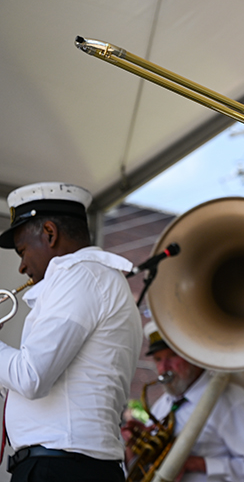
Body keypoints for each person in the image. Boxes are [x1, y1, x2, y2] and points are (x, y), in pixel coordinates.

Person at [0, 181, 143, 481]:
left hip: (61, 468)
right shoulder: (90, 278)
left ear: (50, 234)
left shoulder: (81, 275)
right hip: (64, 465)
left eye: (23, 251)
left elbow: (32, 377)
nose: (22, 267)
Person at [122, 322, 244, 482]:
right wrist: (134, 450)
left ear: (193, 355)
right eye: (158, 359)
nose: (163, 367)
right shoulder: (162, 406)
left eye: (172, 356)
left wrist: (198, 464)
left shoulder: (230, 398)